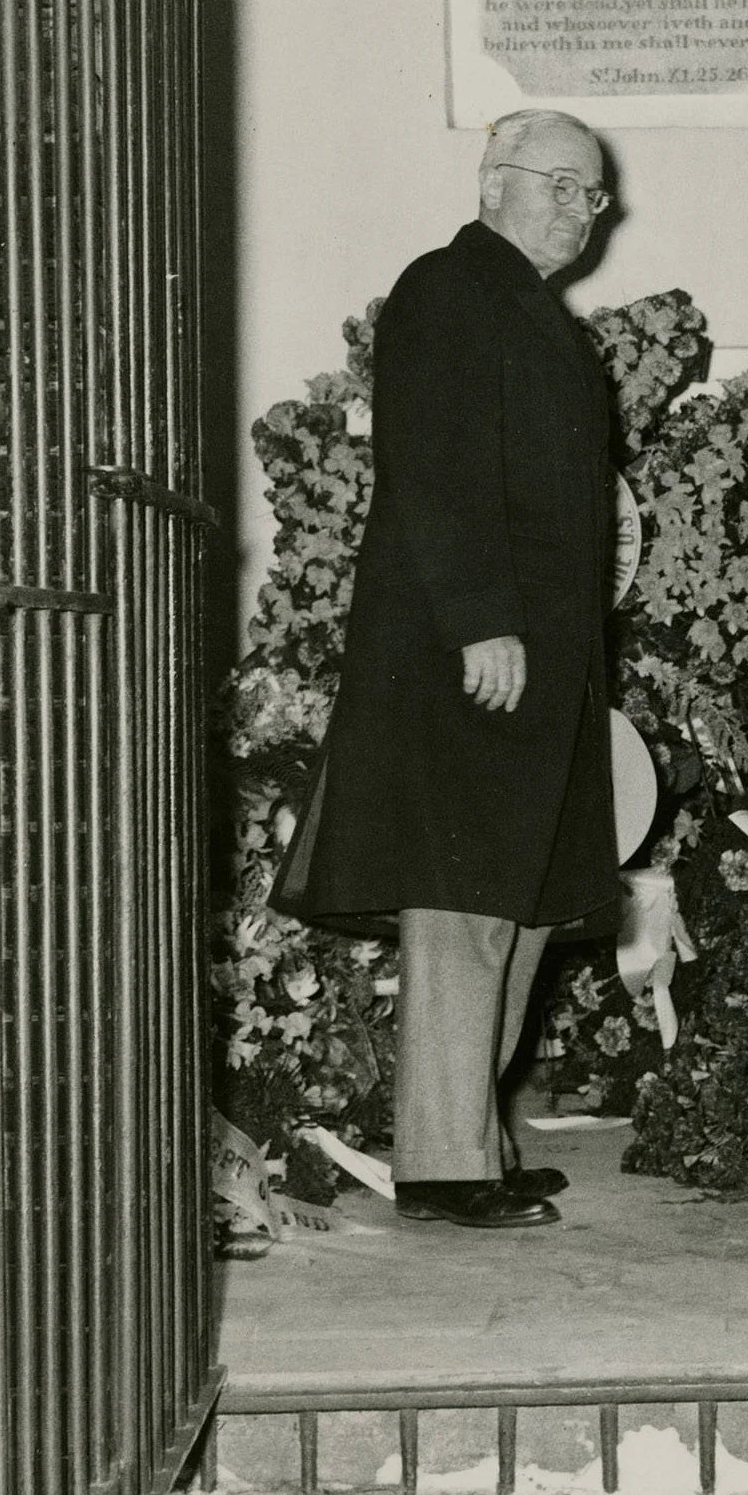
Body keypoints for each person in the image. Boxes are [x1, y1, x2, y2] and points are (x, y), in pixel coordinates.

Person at [275, 108, 622, 1231]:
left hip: (537, 661)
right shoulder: (446, 288)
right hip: (471, 655)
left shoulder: (530, 310)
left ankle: (476, 1140)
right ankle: (438, 1162)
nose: (584, 209)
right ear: (493, 184)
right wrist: (482, 622)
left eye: (593, 193)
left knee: (515, 908)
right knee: (465, 908)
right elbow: (436, 470)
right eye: (564, 185)